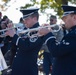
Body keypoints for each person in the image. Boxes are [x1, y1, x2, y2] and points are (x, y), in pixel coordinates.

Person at [38, 5, 76, 75]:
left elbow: (56, 51)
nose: (63, 20)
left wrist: (48, 34)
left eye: (65, 17)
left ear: (74, 17)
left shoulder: (73, 34)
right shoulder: (72, 32)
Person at [5, 7, 44, 75]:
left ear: (34, 18)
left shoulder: (38, 31)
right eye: (24, 19)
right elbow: (15, 47)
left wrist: (14, 36)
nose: (24, 21)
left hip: (27, 70)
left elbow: (27, 46)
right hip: (18, 68)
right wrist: (10, 35)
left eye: (26, 19)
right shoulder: (26, 30)